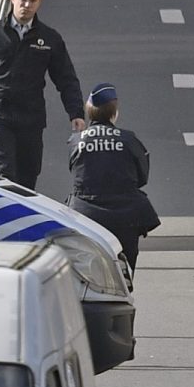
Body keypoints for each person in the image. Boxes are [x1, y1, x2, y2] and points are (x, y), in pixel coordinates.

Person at [0, 0, 86, 189]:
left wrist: (76, 113)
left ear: (39, 2)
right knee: (2, 176)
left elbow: (66, 78)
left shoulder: (50, 38)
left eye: (32, 0)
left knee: (27, 178)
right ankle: (2, 222)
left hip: (30, 119)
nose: (27, 4)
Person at [66, 83, 159, 273]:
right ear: (114, 112)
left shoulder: (77, 141)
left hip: (86, 215)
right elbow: (142, 176)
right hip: (126, 216)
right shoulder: (129, 139)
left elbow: (75, 173)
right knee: (127, 269)